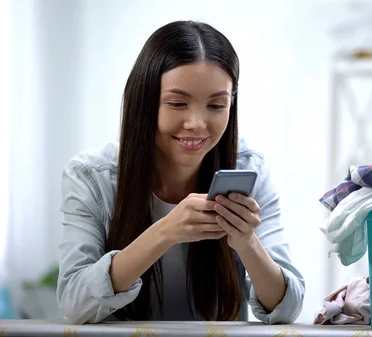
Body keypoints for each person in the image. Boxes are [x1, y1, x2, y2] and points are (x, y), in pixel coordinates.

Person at [56, 20, 305, 324]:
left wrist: (247, 242)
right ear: (145, 102)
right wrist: (164, 232)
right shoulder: (91, 176)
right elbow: (75, 303)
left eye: (216, 106)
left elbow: (288, 308)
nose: (197, 123)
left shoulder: (250, 168)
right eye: (177, 103)